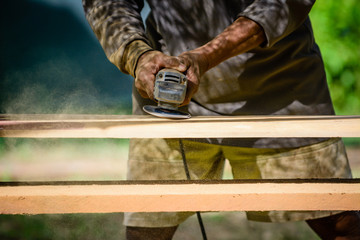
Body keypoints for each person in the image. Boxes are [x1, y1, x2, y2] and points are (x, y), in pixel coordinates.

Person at [83, 0, 360, 239]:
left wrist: (204, 57)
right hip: (169, 100)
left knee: (340, 223)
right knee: (147, 228)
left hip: (282, 93)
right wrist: (138, 56)